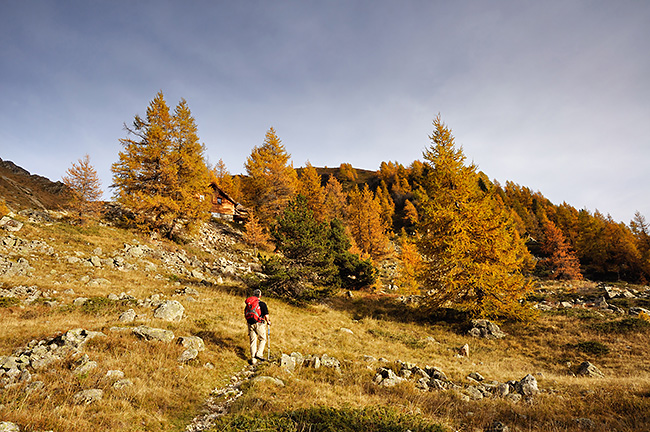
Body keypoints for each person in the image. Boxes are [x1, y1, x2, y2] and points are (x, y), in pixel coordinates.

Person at [244, 289, 271, 365]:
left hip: (250, 323)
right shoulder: (262, 304)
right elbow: (266, 315)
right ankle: (259, 353)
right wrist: (268, 321)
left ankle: (253, 359)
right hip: (259, 323)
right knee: (263, 339)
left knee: (253, 341)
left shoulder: (248, 305)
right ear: (260, 296)